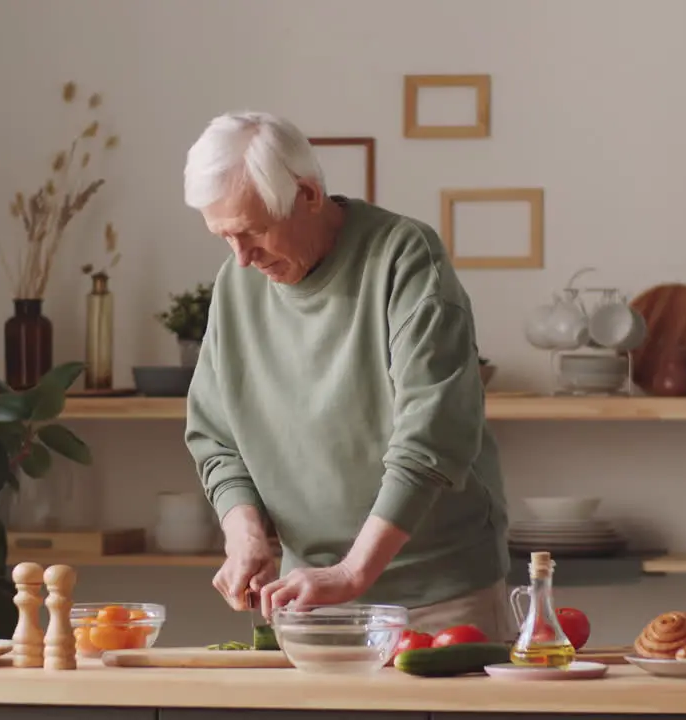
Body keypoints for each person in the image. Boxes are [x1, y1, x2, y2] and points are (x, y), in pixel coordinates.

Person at [181, 111, 514, 641]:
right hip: (306, 597)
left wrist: (354, 571)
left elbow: (434, 434)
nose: (242, 258)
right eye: (225, 237)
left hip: (438, 595)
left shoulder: (404, 257)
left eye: (255, 231)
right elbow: (215, 435)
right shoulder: (236, 284)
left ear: (308, 194)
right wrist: (245, 535)